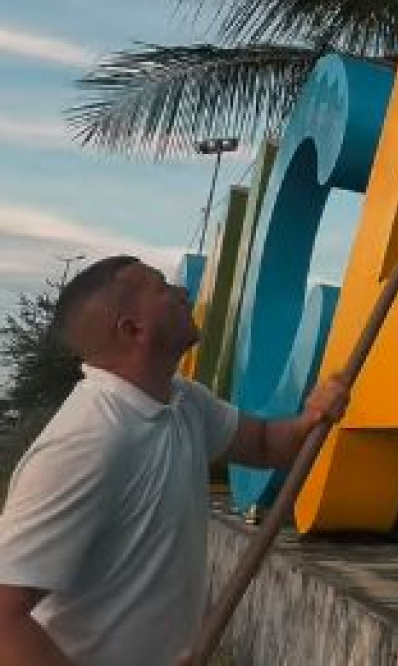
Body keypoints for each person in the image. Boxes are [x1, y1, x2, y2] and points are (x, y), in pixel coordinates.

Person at [0, 256, 351, 666]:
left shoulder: (184, 401)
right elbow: (6, 616)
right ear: (134, 330)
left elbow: (263, 444)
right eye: (163, 288)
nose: (183, 293)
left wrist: (311, 418)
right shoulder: (87, 441)